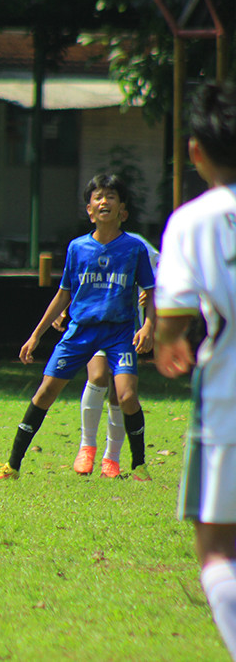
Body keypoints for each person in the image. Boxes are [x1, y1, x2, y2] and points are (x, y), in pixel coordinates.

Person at [0, 173, 155, 481]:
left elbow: (150, 289)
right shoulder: (77, 248)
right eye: (98, 197)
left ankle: (139, 466)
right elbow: (64, 292)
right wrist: (36, 334)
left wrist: (148, 326)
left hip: (119, 333)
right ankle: (12, 464)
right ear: (89, 211)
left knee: (128, 396)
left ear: (123, 209)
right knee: (45, 392)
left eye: (111, 196)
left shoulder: (134, 248)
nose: (104, 201)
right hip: (81, 332)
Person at [155, 81, 236, 658]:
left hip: (229, 400)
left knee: (216, 553)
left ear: (195, 151)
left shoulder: (193, 221)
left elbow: (175, 312)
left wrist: (167, 341)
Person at [61, 231, 160, 479]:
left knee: (121, 393)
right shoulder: (85, 244)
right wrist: (64, 309)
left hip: (125, 327)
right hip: (95, 325)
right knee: (96, 377)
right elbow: (79, 280)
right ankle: (86, 447)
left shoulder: (137, 246)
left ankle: (112, 458)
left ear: (123, 210)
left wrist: (155, 294)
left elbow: (163, 276)